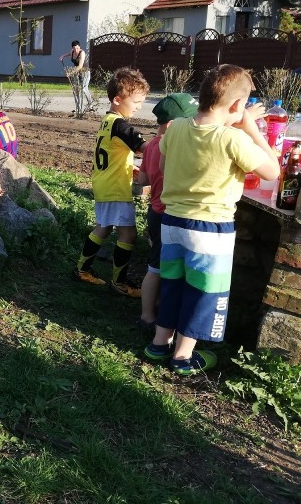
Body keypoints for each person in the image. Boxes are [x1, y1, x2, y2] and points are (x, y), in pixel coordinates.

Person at [144, 65, 278, 375]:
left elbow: (164, 162)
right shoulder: (233, 138)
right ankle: (183, 356)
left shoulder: (175, 127)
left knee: (174, 282)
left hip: (173, 222)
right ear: (236, 106)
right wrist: (252, 129)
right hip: (210, 229)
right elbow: (272, 171)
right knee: (204, 292)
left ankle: (159, 342)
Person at [75, 67, 150, 297]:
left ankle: (82, 269)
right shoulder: (121, 125)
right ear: (118, 99)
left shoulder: (108, 120)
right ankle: (120, 282)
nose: (139, 107)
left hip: (105, 182)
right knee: (128, 235)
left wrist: (131, 166)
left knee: (104, 228)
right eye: (136, 102)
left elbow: (114, 151)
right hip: (116, 188)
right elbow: (148, 148)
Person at [135, 93, 199, 335]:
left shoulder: (151, 145)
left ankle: (155, 309)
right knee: (157, 268)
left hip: (154, 210)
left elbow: (142, 179)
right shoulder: (174, 146)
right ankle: (147, 316)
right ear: (173, 124)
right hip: (167, 214)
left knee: (158, 264)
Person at [60, 40, 91, 108]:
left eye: (77, 48)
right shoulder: (72, 51)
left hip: (85, 72)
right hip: (77, 72)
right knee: (76, 88)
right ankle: (78, 105)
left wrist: (70, 73)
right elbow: (69, 54)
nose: (76, 50)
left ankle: (90, 104)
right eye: (74, 48)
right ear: (72, 48)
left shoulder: (82, 53)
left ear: (79, 47)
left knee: (84, 89)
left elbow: (80, 66)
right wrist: (63, 56)